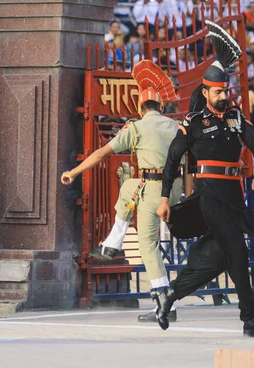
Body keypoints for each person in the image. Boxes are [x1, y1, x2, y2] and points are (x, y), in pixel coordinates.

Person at [153, 20, 254, 337]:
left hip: (234, 195)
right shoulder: (193, 122)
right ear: (205, 92)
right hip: (208, 195)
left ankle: (170, 297)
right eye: (218, 92)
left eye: (226, 91)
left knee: (215, 259)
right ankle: (250, 319)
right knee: (238, 251)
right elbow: (173, 159)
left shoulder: (236, 117)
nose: (224, 96)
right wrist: (165, 198)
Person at [61, 61, 185, 322]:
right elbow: (191, 164)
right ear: (161, 107)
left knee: (147, 245)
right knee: (129, 187)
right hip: (174, 188)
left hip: (153, 189)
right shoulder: (176, 126)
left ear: (141, 108)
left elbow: (100, 153)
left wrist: (74, 172)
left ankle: (165, 304)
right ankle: (112, 242)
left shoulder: (136, 128)